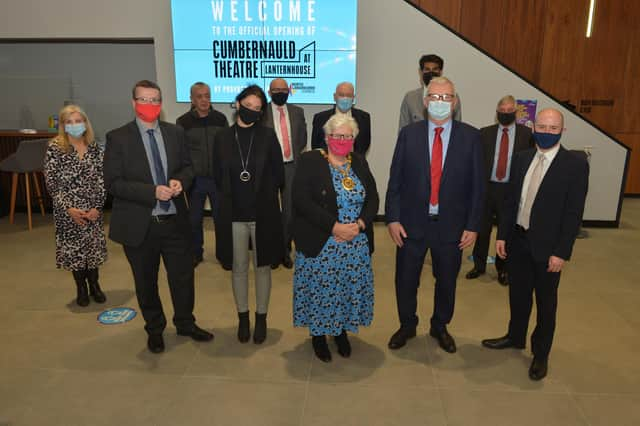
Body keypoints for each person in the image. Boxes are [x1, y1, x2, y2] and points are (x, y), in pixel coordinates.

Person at [104, 80, 213, 354]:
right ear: (133, 103)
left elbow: (188, 168)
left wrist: (179, 181)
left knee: (183, 277)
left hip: (175, 221)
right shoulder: (118, 137)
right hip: (140, 225)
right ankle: (154, 329)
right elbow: (113, 183)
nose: (149, 105)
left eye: (155, 100)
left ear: (161, 103)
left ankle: (186, 323)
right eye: (144, 99)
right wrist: (151, 191)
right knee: (146, 282)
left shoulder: (175, 133)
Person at [482, 108, 589, 381]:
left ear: (562, 131)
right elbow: (510, 202)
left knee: (545, 303)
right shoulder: (522, 159)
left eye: (553, 128)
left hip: (548, 248)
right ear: (533, 127)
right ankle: (515, 336)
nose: (546, 131)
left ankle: (541, 354)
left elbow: (573, 213)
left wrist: (561, 252)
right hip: (518, 240)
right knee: (518, 295)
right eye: (542, 126)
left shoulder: (575, 165)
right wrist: (503, 235)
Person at [386, 76, 484, 354]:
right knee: (405, 279)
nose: (441, 102)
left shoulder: (471, 137)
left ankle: (440, 326)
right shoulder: (409, 134)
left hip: (452, 227)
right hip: (410, 224)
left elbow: (479, 187)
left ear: (454, 102)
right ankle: (407, 325)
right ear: (426, 101)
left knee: (447, 281)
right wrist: (392, 218)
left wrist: (473, 225)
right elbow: (395, 180)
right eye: (436, 97)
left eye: (447, 97)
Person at [292, 114, 378, 362]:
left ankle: (340, 332)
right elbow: (301, 200)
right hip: (322, 240)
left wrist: (360, 224)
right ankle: (319, 336)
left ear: (354, 139)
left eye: (347, 136)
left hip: (355, 242)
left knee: (345, 289)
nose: (342, 140)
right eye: (337, 135)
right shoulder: (310, 160)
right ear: (327, 138)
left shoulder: (359, 162)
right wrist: (334, 227)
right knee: (321, 291)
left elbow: (373, 197)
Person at [213, 84, 284, 344]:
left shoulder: (267, 136)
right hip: (233, 214)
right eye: (248, 105)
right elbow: (217, 175)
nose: (252, 111)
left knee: (262, 268)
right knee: (239, 268)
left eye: (258, 108)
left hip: (262, 212)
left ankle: (261, 317)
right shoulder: (222, 137)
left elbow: (278, 175)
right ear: (238, 104)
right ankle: (243, 318)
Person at [44, 104, 107, 307]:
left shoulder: (94, 147)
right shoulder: (55, 148)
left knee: (93, 250)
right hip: (68, 211)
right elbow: (52, 183)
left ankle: (95, 285)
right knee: (75, 252)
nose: (74, 125)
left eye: (78, 121)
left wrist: (98, 207)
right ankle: (81, 288)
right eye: (69, 122)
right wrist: (69, 209)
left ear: (85, 123)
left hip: (93, 210)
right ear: (63, 125)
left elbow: (103, 179)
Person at [466, 95, 533, 285]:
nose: (505, 114)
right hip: (487, 188)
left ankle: (503, 269)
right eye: (502, 111)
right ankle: (478, 266)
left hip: (511, 190)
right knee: (482, 229)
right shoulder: (484, 133)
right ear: (497, 112)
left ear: (516, 112)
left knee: (506, 231)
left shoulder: (527, 134)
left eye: (509, 111)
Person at [176, 82, 229, 267]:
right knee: (194, 220)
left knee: (221, 219)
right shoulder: (183, 122)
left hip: (217, 179)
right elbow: (181, 153)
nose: (204, 100)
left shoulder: (221, 119)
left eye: (207, 95)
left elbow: (227, 149)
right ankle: (195, 254)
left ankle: (224, 255)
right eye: (199, 96)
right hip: (195, 180)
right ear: (192, 99)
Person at [262, 77, 307, 269]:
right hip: (268, 169)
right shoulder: (261, 112)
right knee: (270, 211)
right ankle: (272, 251)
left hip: (291, 167)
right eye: (276, 89)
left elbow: (302, 139)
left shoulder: (298, 112)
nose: (280, 92)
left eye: (283, 89)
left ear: (288, 90)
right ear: (270, 92)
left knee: (289, 212)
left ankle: (285, 250)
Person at [398, 54, 462, 131]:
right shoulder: (410, 98)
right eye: (427, 69)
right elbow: (403, 129)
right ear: (421, 72)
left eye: (435, 69)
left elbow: (457, 128)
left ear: (440, 72)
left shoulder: (452, 96)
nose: (431, 72)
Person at [311, 82, 371, 155]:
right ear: (335, 97)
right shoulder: (320, 118)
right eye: (341, 95)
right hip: (326, 164)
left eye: (348, 95)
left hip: (355, 163)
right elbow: (315, 146)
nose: (345, 98)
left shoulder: (364, 118)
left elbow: (365, 144)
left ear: (353, 98)